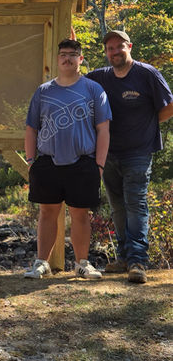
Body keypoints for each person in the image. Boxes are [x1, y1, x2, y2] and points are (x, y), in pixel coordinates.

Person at [87, 30, 173, 283]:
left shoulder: (147, 74)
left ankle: (137, 261)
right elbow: (76, 79)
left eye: (119, 47)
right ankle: (124, 257)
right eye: (110, 49)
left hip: (139, 151)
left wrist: (149, 124)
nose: (114, 52)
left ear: (129, 47)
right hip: (108, 152)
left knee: (135, 203)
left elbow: (169, 105)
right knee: (118, 206)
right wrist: (73, 46)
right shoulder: (101, 77)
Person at [24, 39, 111, 280]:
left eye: (73, 54)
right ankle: (42, 263)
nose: (67, 58)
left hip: (83, 162)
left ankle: (82, 264)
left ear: (81, 59)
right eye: (63, 54)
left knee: (80, 214)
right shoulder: (43, 91)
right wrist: (31, 161)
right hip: (48, 162)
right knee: (47, 213)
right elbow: (31, 129)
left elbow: (103, 130)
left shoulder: (94, 90)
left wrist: (100, 165)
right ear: (57, 58)